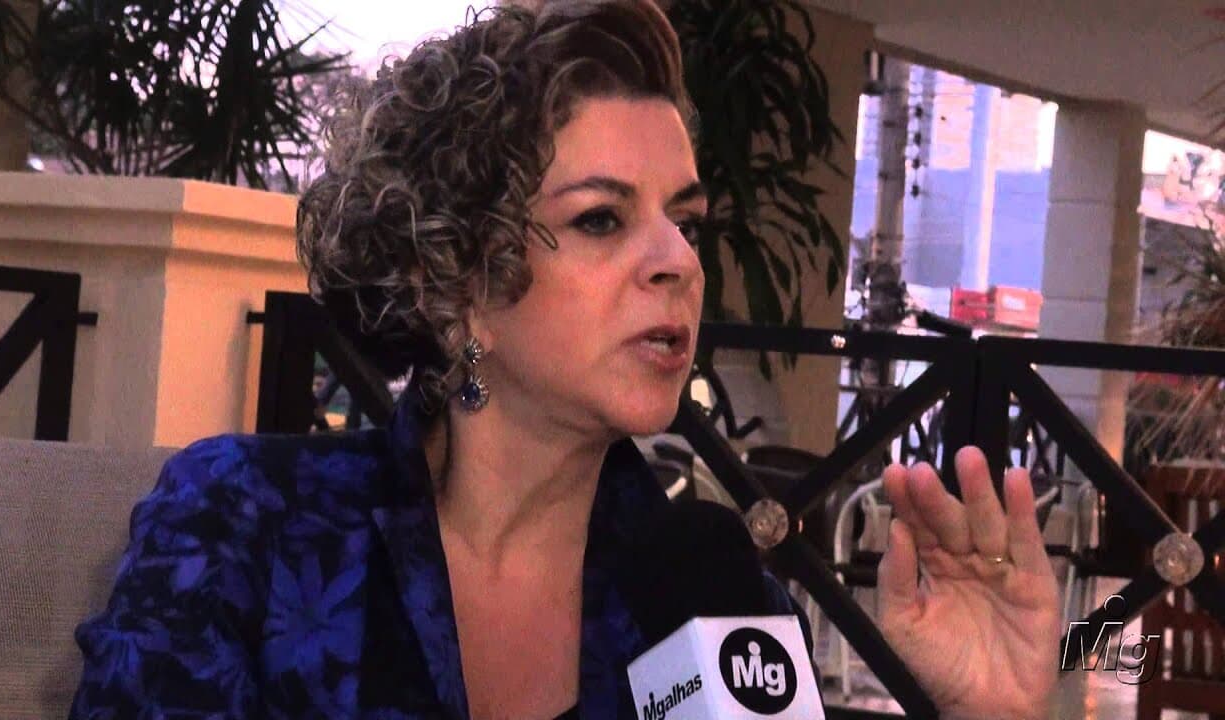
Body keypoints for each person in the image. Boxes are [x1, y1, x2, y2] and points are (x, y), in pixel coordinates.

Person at [67, 1, 1060, 719]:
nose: (677, 262)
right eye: (600, 219)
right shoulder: (250, 524)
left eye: (683, 221)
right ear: (451, 280)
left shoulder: (707, 590)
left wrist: (988, 717)